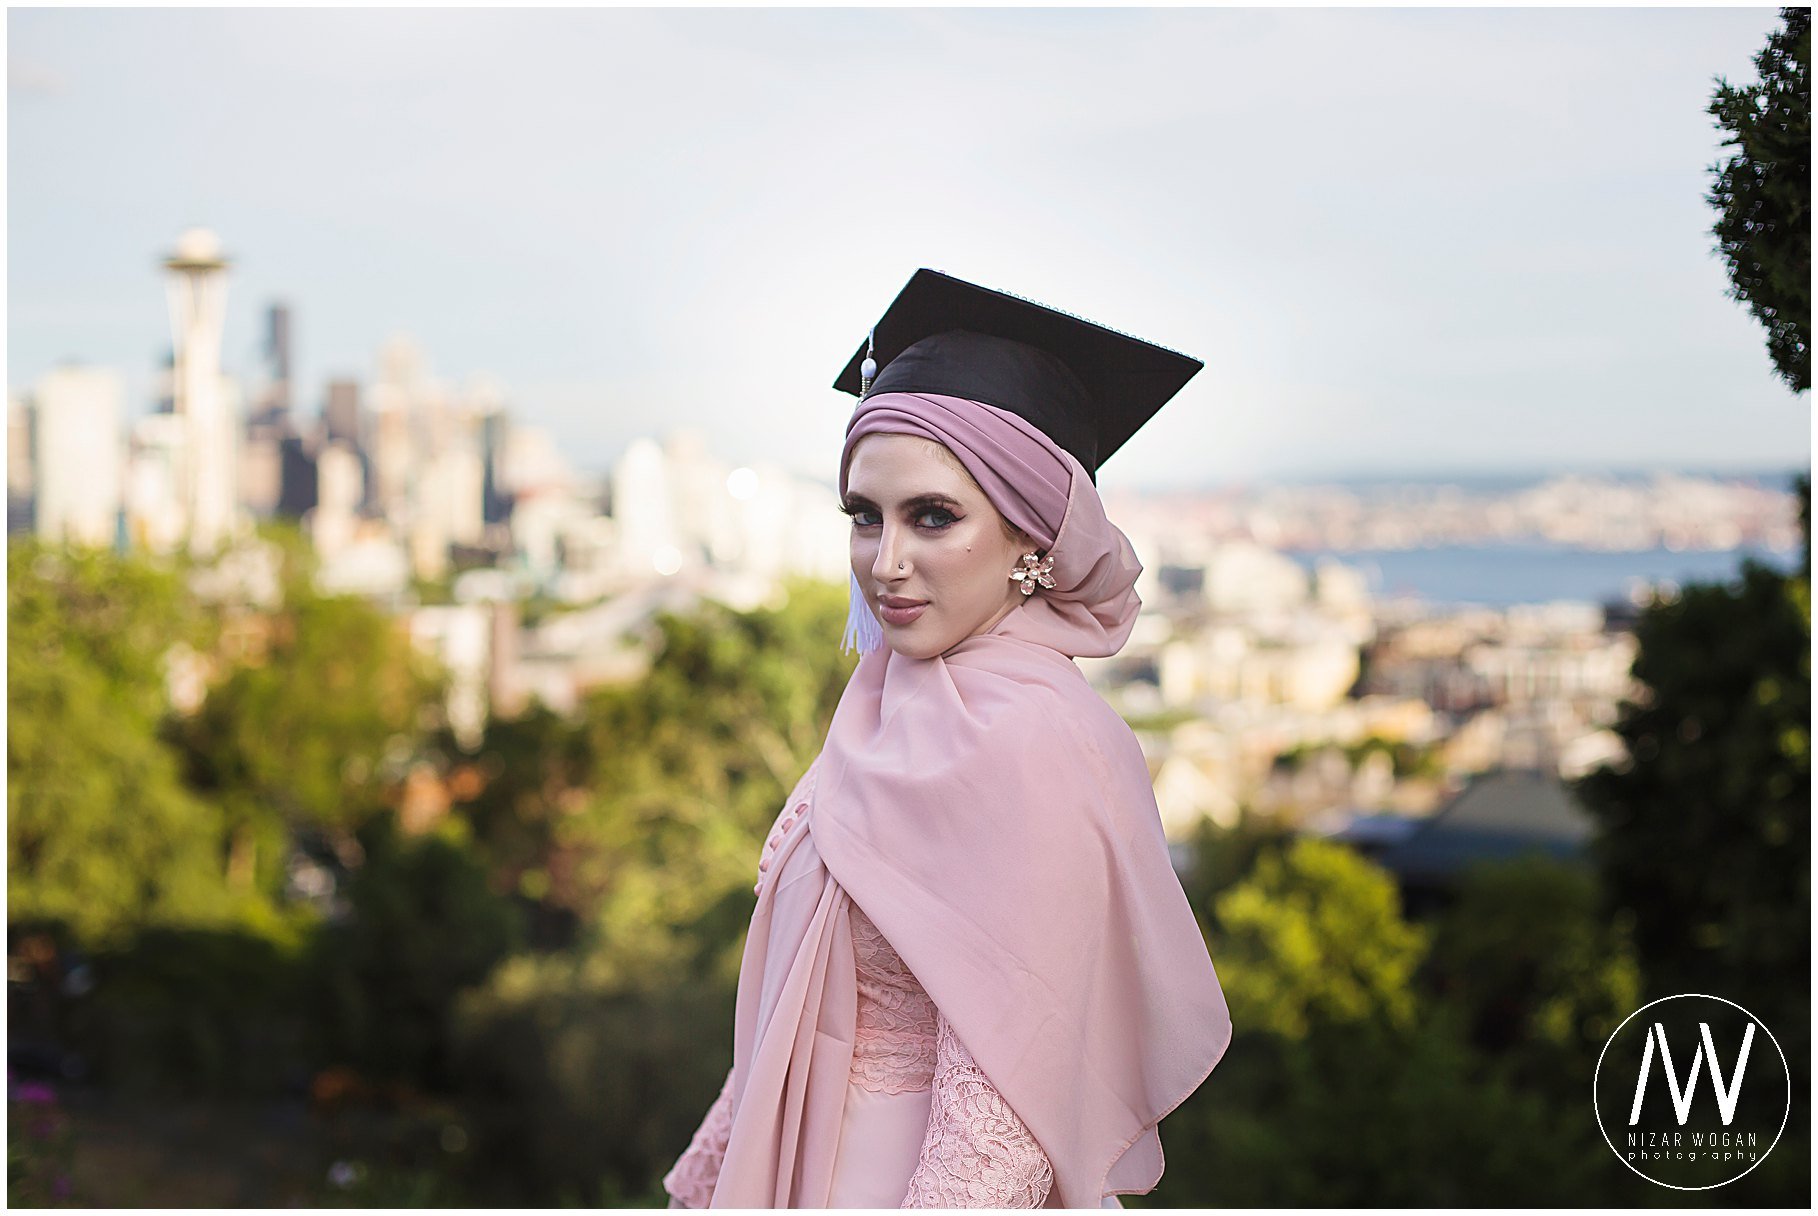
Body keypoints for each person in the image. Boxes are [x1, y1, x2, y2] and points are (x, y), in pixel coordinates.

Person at [662, 270, 1232, 1209]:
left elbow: (1004, 1116)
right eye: (863, 517)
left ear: (1032, 538)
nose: (885, 563)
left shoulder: (1040, 743)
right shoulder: (887, 704)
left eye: (933, 516)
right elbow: (795, 1008)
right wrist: (711, 1182)